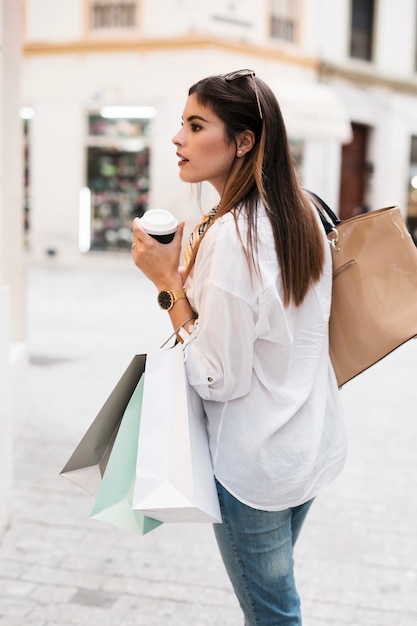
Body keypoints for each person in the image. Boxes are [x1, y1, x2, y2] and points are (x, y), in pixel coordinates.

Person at [131, 69, 347, 625]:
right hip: (306, 441)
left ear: (243, 140)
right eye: (181, 123)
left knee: (272, 612)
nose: (177, 138)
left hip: (254, 463)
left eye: (196, 125)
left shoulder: (233, 236)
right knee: (273, 598)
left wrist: (167, 285)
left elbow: (218, 377)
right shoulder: (302, 211)